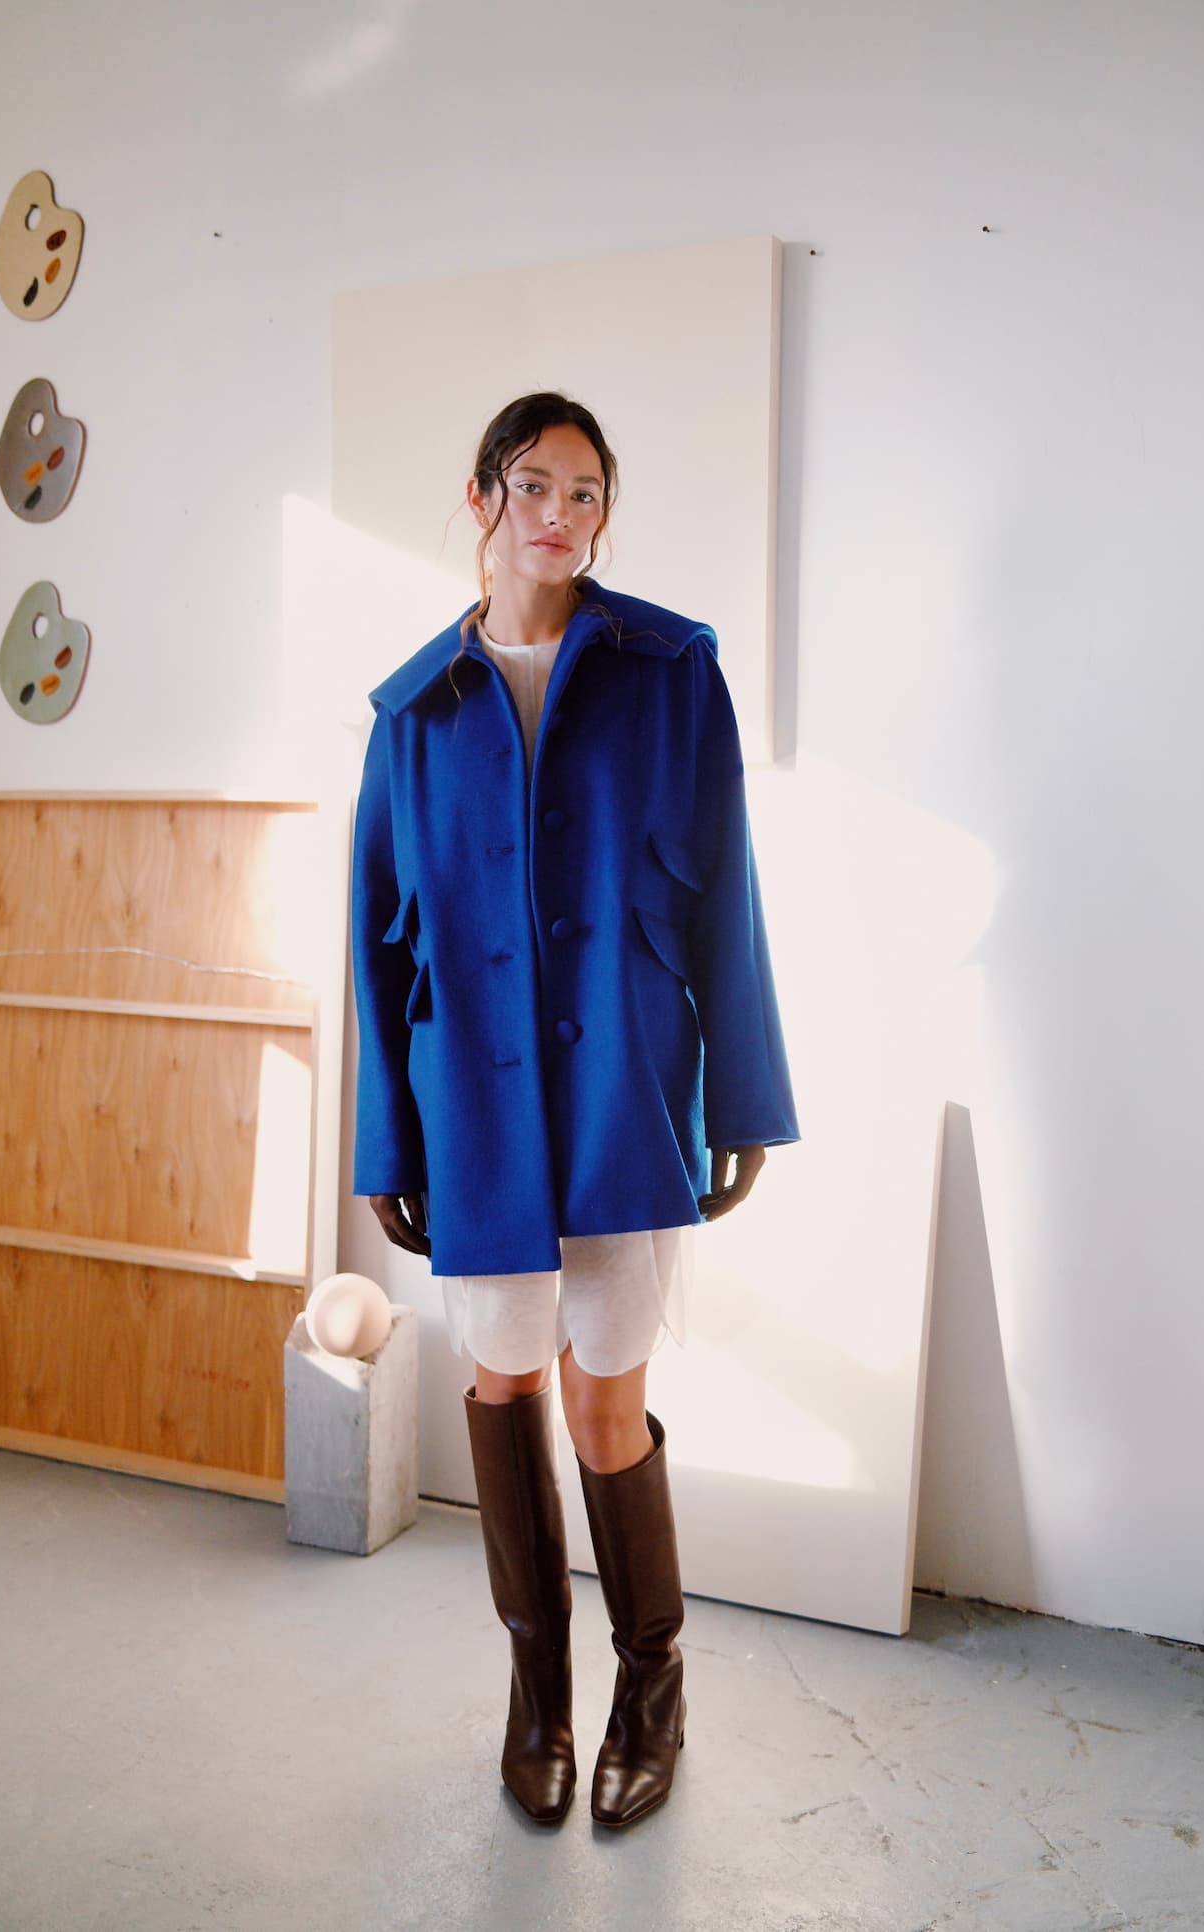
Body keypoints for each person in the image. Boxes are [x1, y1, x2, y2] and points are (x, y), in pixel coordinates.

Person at [351, 391, 798, 1829]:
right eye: (533, 486)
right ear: (480, 498)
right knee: (504, 1385)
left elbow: (726, 892)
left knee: (611, 1403)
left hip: (620, 1094)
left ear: (604, 515)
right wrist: (385, 1138)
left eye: (586, 493)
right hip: (474, 1111)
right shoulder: (413, 713)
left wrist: (741, 1091)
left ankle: (649, 1693)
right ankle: (534, 1699)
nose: (559, 515)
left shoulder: (674, 673)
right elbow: (377, 943)